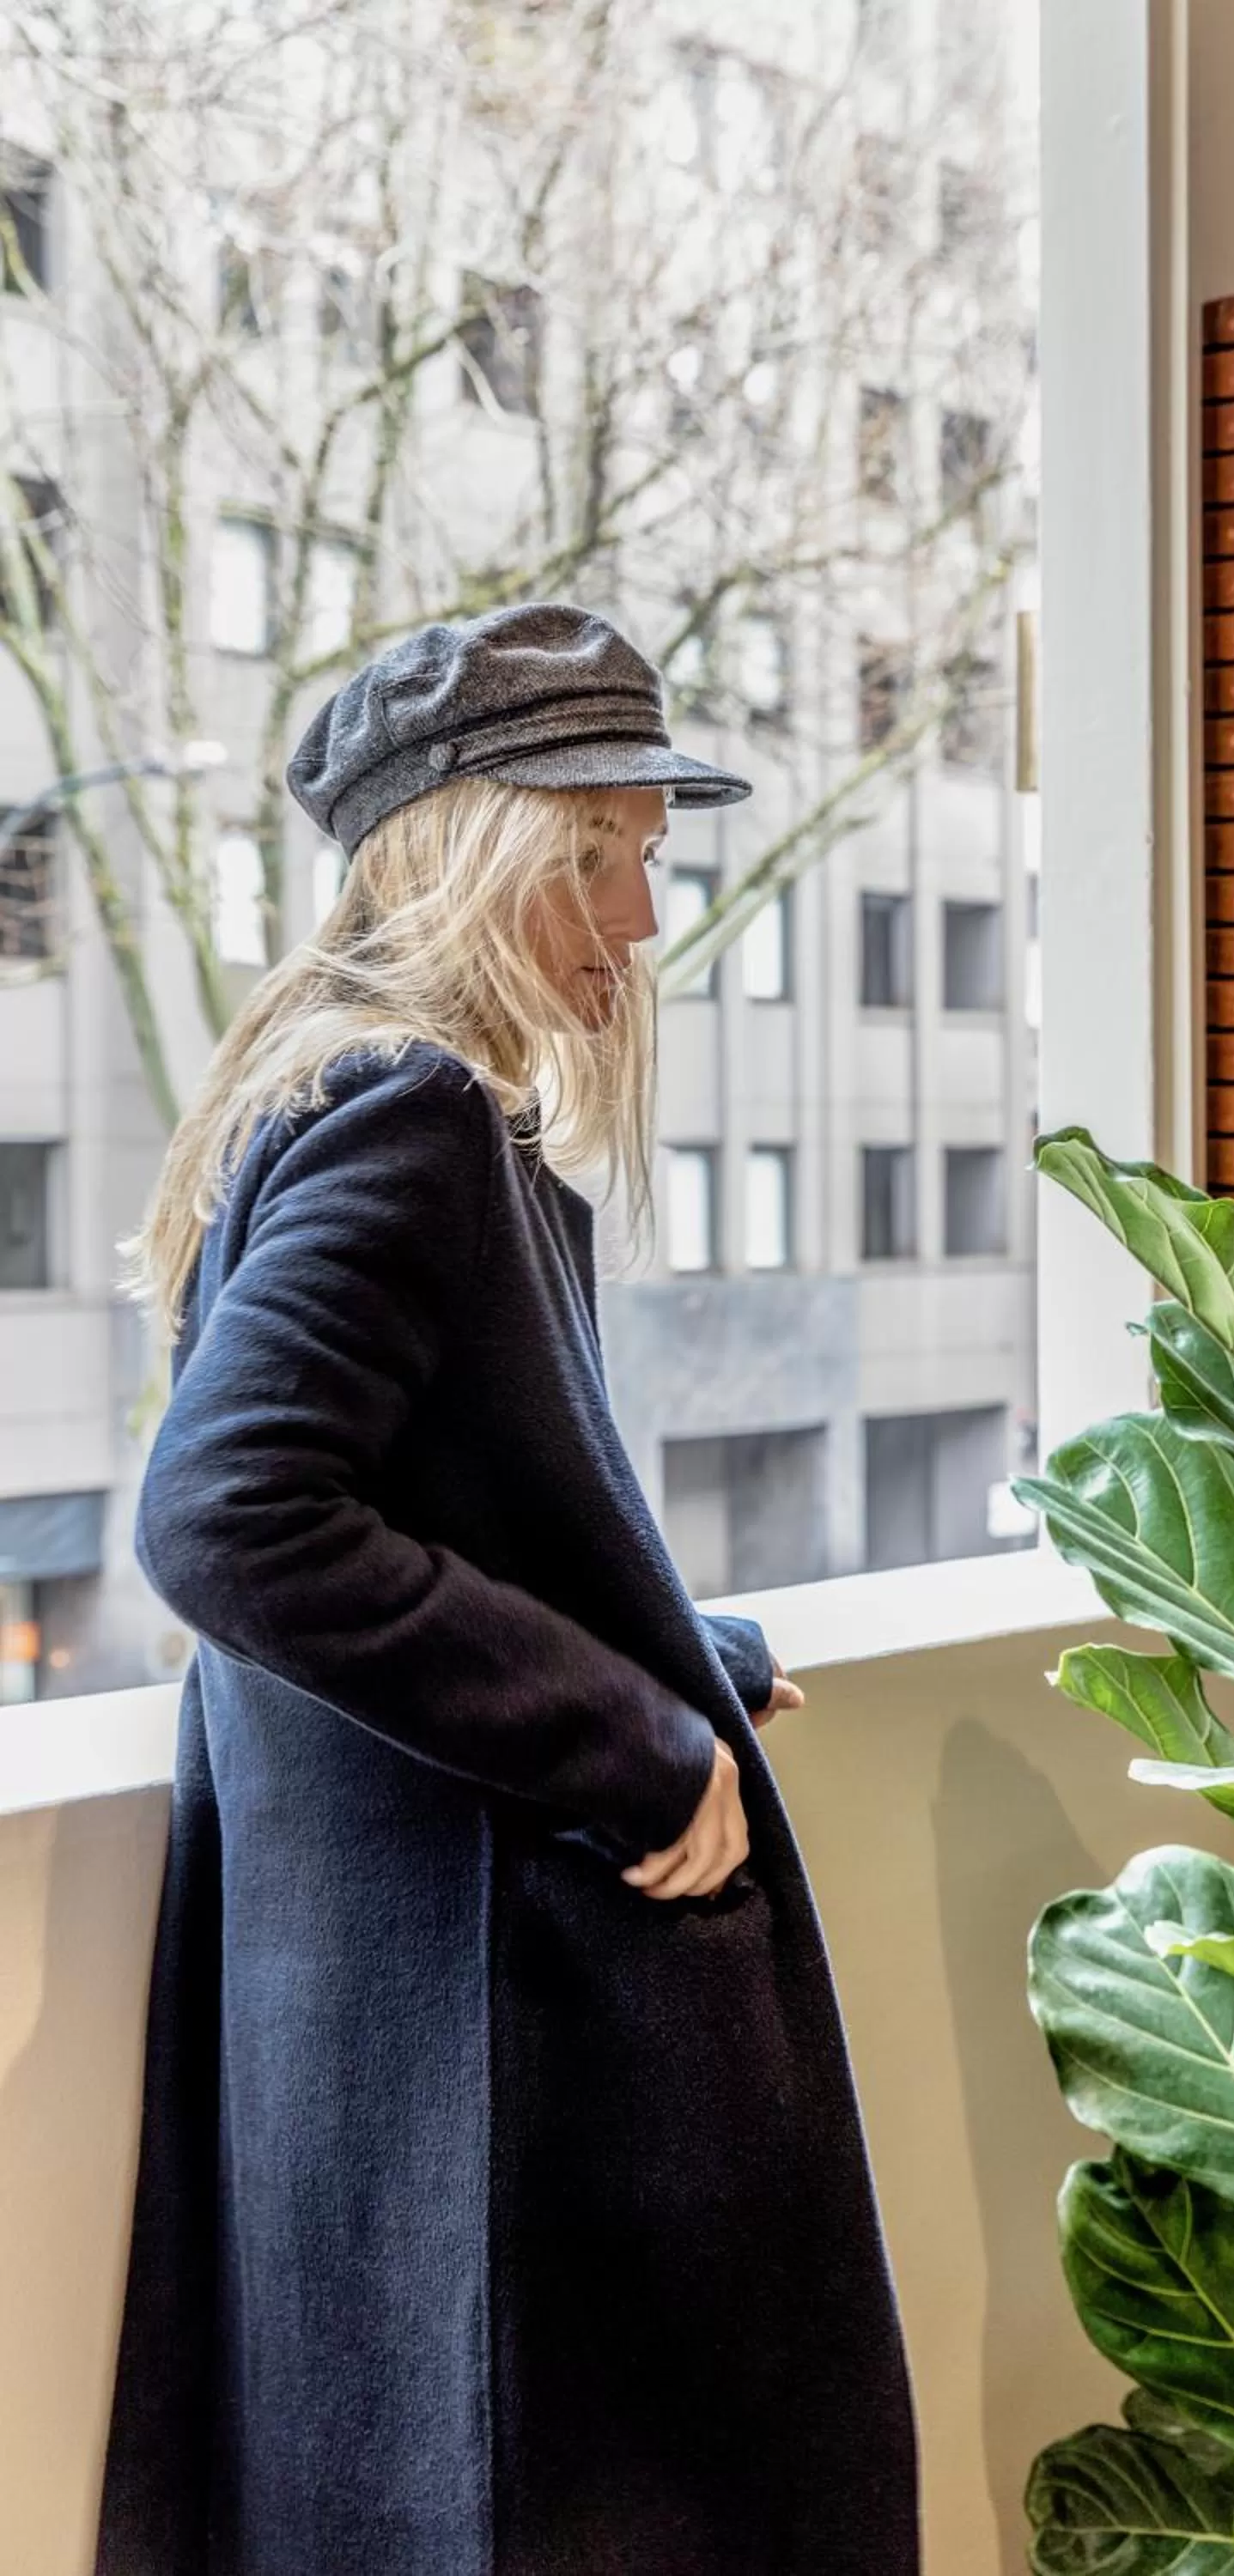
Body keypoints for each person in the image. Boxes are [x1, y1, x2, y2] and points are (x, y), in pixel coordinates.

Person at [94, 601, 921, 2576]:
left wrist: (672, 1653)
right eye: (606, 854)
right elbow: (229, 1516)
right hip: (500, 2022)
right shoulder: (413, 1112)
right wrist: (624, 1744)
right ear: (479, 847)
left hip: (392, 2007)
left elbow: (435, 1502)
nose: (640, 919)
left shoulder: (328, 1093)